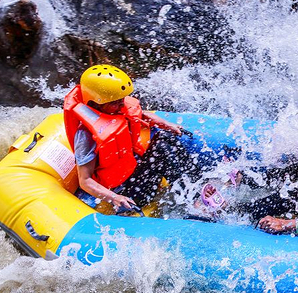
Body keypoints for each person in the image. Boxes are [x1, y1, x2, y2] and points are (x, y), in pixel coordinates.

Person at [63, 64, 198, 212]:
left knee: (165, 137)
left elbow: (140, 114)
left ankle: (197, 183)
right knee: (162, 150)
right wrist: (114, 198)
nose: (122, 104)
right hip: (126, 193)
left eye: (122, 99)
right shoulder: (86, 135)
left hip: (133, 171)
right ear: (96, 102)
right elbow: (85, 181)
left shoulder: (114, 109)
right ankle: (194, 201)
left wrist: (166, 124)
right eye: (115, 102)